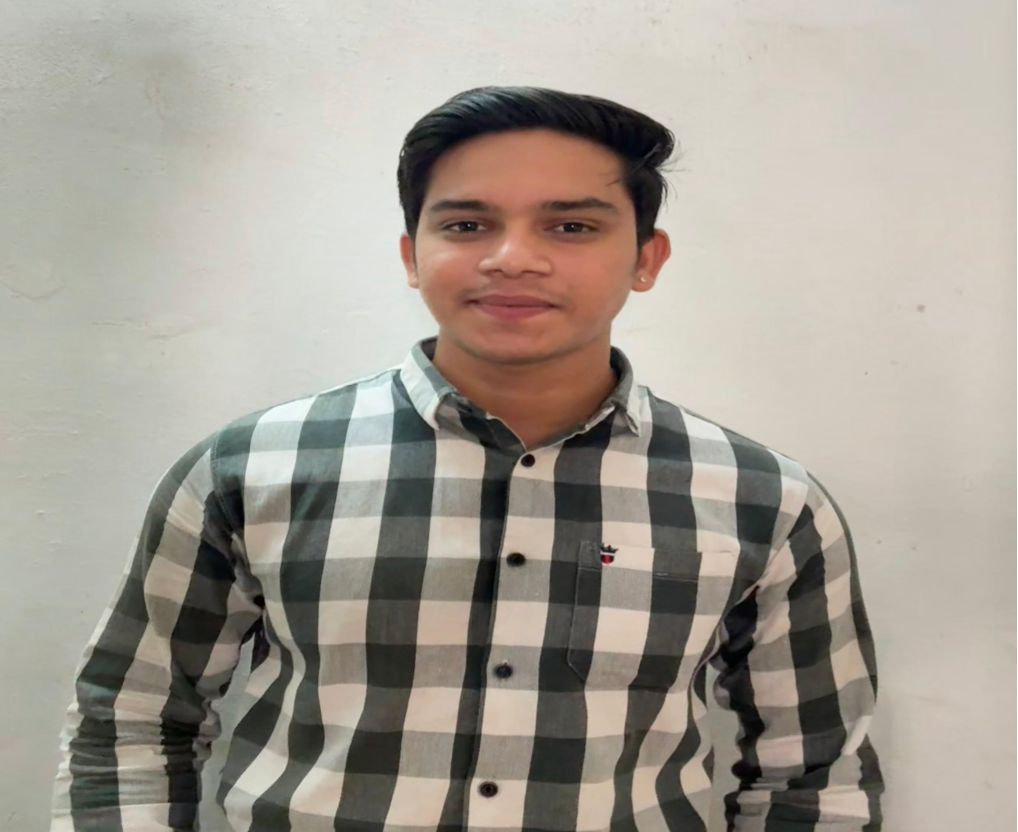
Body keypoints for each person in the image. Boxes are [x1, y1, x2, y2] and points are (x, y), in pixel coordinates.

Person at [51, 86, 883, 831]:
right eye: (466, 225)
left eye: (571, 225)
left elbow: (816, 775)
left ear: (646, 258)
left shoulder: (764, 500)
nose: (512, 257)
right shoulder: (254, 468)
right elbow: (131, 721)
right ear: (411, 255)